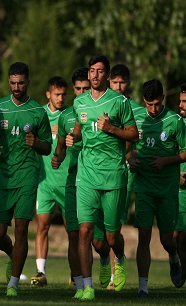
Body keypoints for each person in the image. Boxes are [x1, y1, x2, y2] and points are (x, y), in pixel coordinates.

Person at [64, 55, 138, 300]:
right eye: (91, 71)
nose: (94, 75)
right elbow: (78, 128)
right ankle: (86, 287)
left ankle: (118, 257)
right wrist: (70, 139)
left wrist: (111, 129)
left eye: (99, 71)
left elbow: (134, 134)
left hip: (113, 175)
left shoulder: (119, 102)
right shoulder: (79, 102)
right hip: (86, 176)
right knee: (84, 230)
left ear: (107, 75)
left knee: (111, 236)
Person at [0, 62, 52, 297]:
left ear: (28, 82)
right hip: (2, 178)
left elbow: (47, 147)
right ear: (8, 81)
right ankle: (14, 255)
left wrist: (37, 144)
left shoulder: (37, 111)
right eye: (13, 83)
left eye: (21, 82)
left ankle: (13, 283)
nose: (17, 87)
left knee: (21, 229)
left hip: (27, 176)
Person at [128, 79, 185, 298]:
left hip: (167, 189)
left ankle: (173, 258)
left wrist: (166, 161)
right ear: (144, 101)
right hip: (144, 187)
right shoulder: (137, 119)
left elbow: (185, 152)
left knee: (166, 239)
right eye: (149, 104)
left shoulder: (174, 120)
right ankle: (143, 287)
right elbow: (128, 145)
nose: (153, 109)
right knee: (143, 235)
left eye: (156, 104)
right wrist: (130, 158)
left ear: (163, 98)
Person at [51, 67, 91, 298]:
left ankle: (106, 261)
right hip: (72, 182)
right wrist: (58, 156)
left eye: (86, 88)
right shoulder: (66, 116)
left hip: (95, 181)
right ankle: (80, 284)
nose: (82, 92)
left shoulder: (98, 113)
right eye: (78, 89)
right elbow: (59, 151)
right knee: (74, 234)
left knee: (99, 238)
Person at [105, 64, 145, 290]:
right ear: (109, 82)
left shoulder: (138, 111)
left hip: (127, 175)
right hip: (101, 173)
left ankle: (114, 275)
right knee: (101, 230)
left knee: (115, 225)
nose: (118, 87)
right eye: (115, 82)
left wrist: (132, 155)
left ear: (128, 84)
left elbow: (138, 142)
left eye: (122, 83)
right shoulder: (103, 107)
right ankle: (106, 263)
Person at [32, 76, 67, 286]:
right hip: (44, 182)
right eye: (57, 94)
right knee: (42, 225)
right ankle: (41, 272)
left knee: (71, 229)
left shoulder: (71, 115)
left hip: (68, 182)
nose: (61, 98)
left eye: (63, 94)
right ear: (48, 95)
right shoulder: (40, 115)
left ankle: (76, 272)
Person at [177, 83, 186, 283]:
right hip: (180, 189)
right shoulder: (178, 124)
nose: (181, 105)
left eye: (185, 102)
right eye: (180, 101)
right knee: (179, 235)